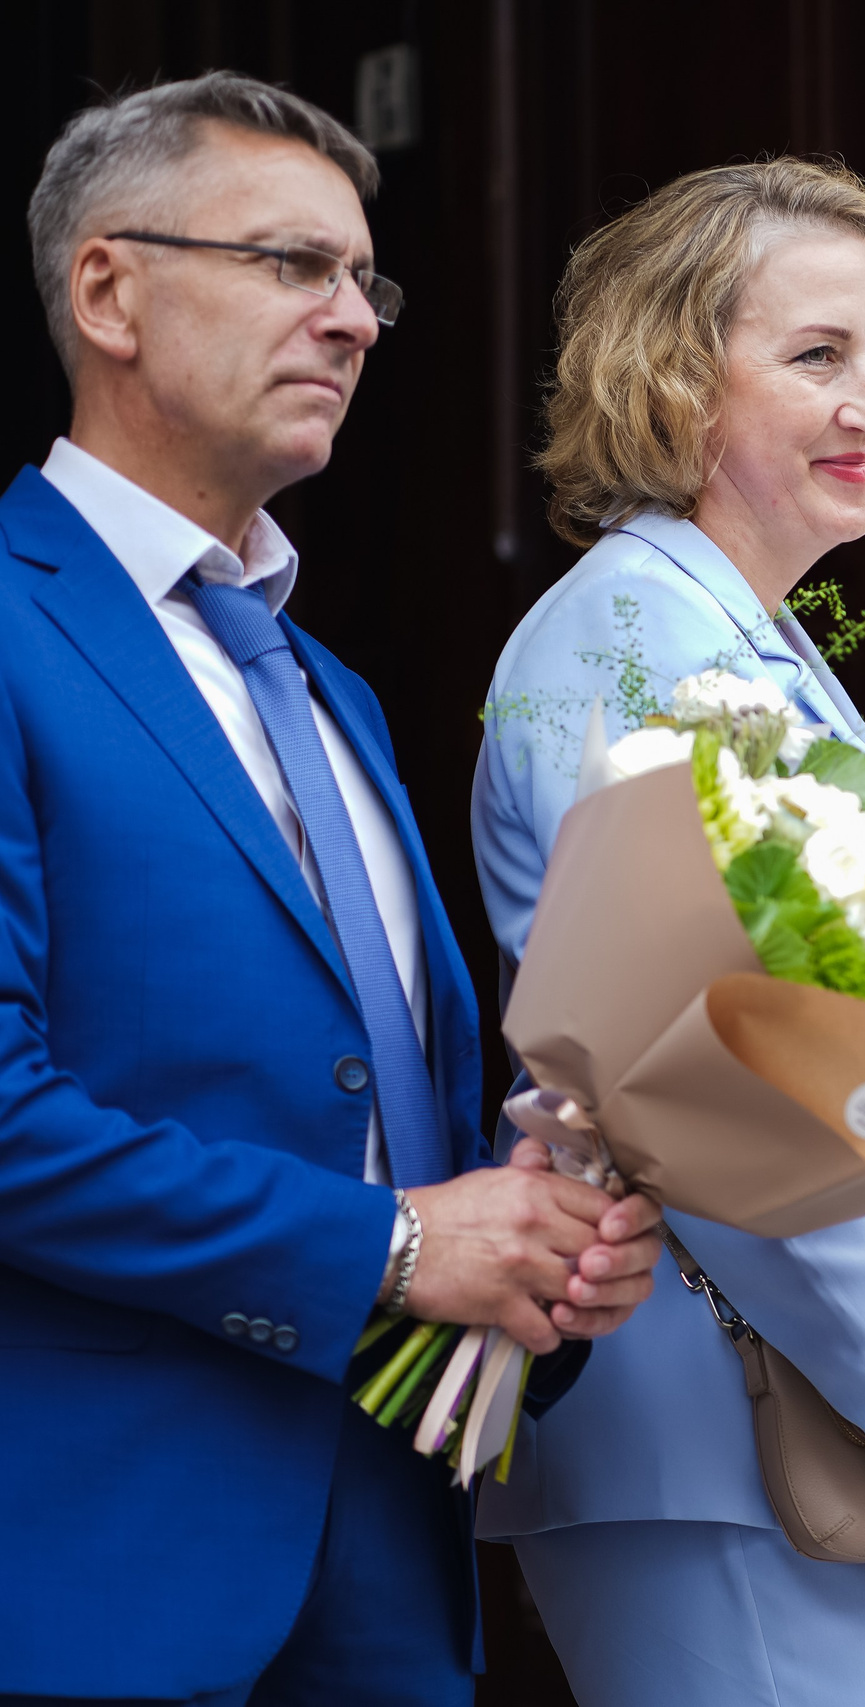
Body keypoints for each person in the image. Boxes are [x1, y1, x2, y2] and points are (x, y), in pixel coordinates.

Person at [0, 73, 664, 1705]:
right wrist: (385, 1243)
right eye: (293, 265)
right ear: (110, 291)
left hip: (384, 1550)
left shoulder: (331, 690)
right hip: (98, 1559)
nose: (353, 319)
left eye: (366, 280)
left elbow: (406, 1119)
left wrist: (540, 1248)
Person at [469, 158, 865, 1707]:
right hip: (731, 1430)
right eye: (816, 356)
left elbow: (843, 1014)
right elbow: (702, 1072)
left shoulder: (747, 637)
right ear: (674, 380)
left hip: (801, 1424)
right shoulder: (635, 641)